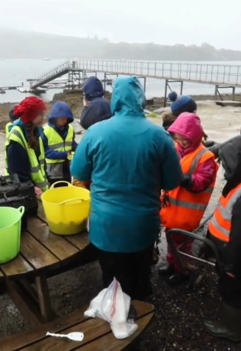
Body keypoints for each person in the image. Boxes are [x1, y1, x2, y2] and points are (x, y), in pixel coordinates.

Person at [71, 76, 183, 301]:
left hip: (106, 226)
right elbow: (173, 181)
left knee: (113, 280)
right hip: (143, 224)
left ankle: (118, 318)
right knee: (140, 275)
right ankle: (142, 310)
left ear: (115, 100)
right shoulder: (158, 135)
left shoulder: (95, 132)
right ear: (140, 99)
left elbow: (79, 172)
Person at [203, 134, 241, 343]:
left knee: (230, 288)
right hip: (229, 249)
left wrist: (231, 266)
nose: (224, 168)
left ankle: (230, 328)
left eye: (226, 163)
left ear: (238, 163)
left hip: (234, 253)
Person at [159, 112, 218, 285]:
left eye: (185, 139)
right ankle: (172, 264)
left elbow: (201, 183)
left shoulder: (206, 157)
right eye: (178, 138)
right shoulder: (176, 150)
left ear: (196, 136)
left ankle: (183, 271)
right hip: (171, 208)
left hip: (187, 212)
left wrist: (181, 178)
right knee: (170, 238)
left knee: (183, 244)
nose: (182, 142)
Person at [5, 96, 49, 194]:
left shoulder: (37, 132)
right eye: (41, 114)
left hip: (39, 190)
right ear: (31, 116)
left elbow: (40, 163)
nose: (44, 118)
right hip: (26, 192)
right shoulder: (16, 139)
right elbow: (16, 172)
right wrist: (31, 187)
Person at [40, 101, 78, 185]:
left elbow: (72, 144)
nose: (65, 121)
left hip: (67, 167)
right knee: (55, 190)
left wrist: (80, 149)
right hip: (53, 170)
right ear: (55, 118)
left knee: (68, 187)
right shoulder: (45, 130)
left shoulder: (70, 129)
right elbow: (45, 151)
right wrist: (65, 154)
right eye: (62, 118)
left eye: (66, 118)